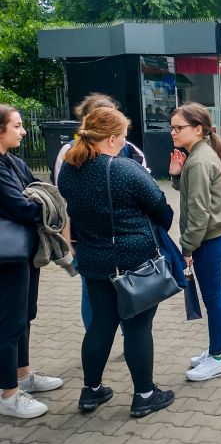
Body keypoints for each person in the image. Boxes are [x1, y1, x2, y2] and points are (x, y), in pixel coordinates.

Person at [58, 107, 175, 418]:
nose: (125, 142)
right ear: (110, 139)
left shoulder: (68, 170)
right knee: (137, 327)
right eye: (123, 137)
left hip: (93, 259)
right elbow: (164, 212)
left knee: (100, 324)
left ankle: (91, 391)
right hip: (133, 259)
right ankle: (145, 394)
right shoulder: (124, 169)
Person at [53, 92, 148, 331]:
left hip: (93, 241)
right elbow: (62, 202)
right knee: (118, 295)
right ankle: (118, 338)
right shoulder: (69, 153)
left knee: (98, 295)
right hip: (117, 241)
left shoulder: (130, 151)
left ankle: (101, 339)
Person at [168, 103, 221, 382]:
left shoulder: (199, 160)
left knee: (213, 299)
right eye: (172, 127)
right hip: (212, 239)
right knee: (216, 297)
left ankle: (217, 357)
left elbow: (198, 212)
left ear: (198, 129)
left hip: (208, 241)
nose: (173, 132)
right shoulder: (199, 155)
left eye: (179, 127)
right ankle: (217, 349)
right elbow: (195, 195)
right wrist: (177, 175)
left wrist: (187, 247)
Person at [0, 105, 63, 419]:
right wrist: (40, 203)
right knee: (9, 321)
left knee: (25, 314)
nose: (23, 132)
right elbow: (24, 206)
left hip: (23, 251)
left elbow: (38, 190)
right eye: (17, 125)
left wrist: (39, 200)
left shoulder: (13, 161)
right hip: (6, 258)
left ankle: (23, 375)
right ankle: (8, 394)